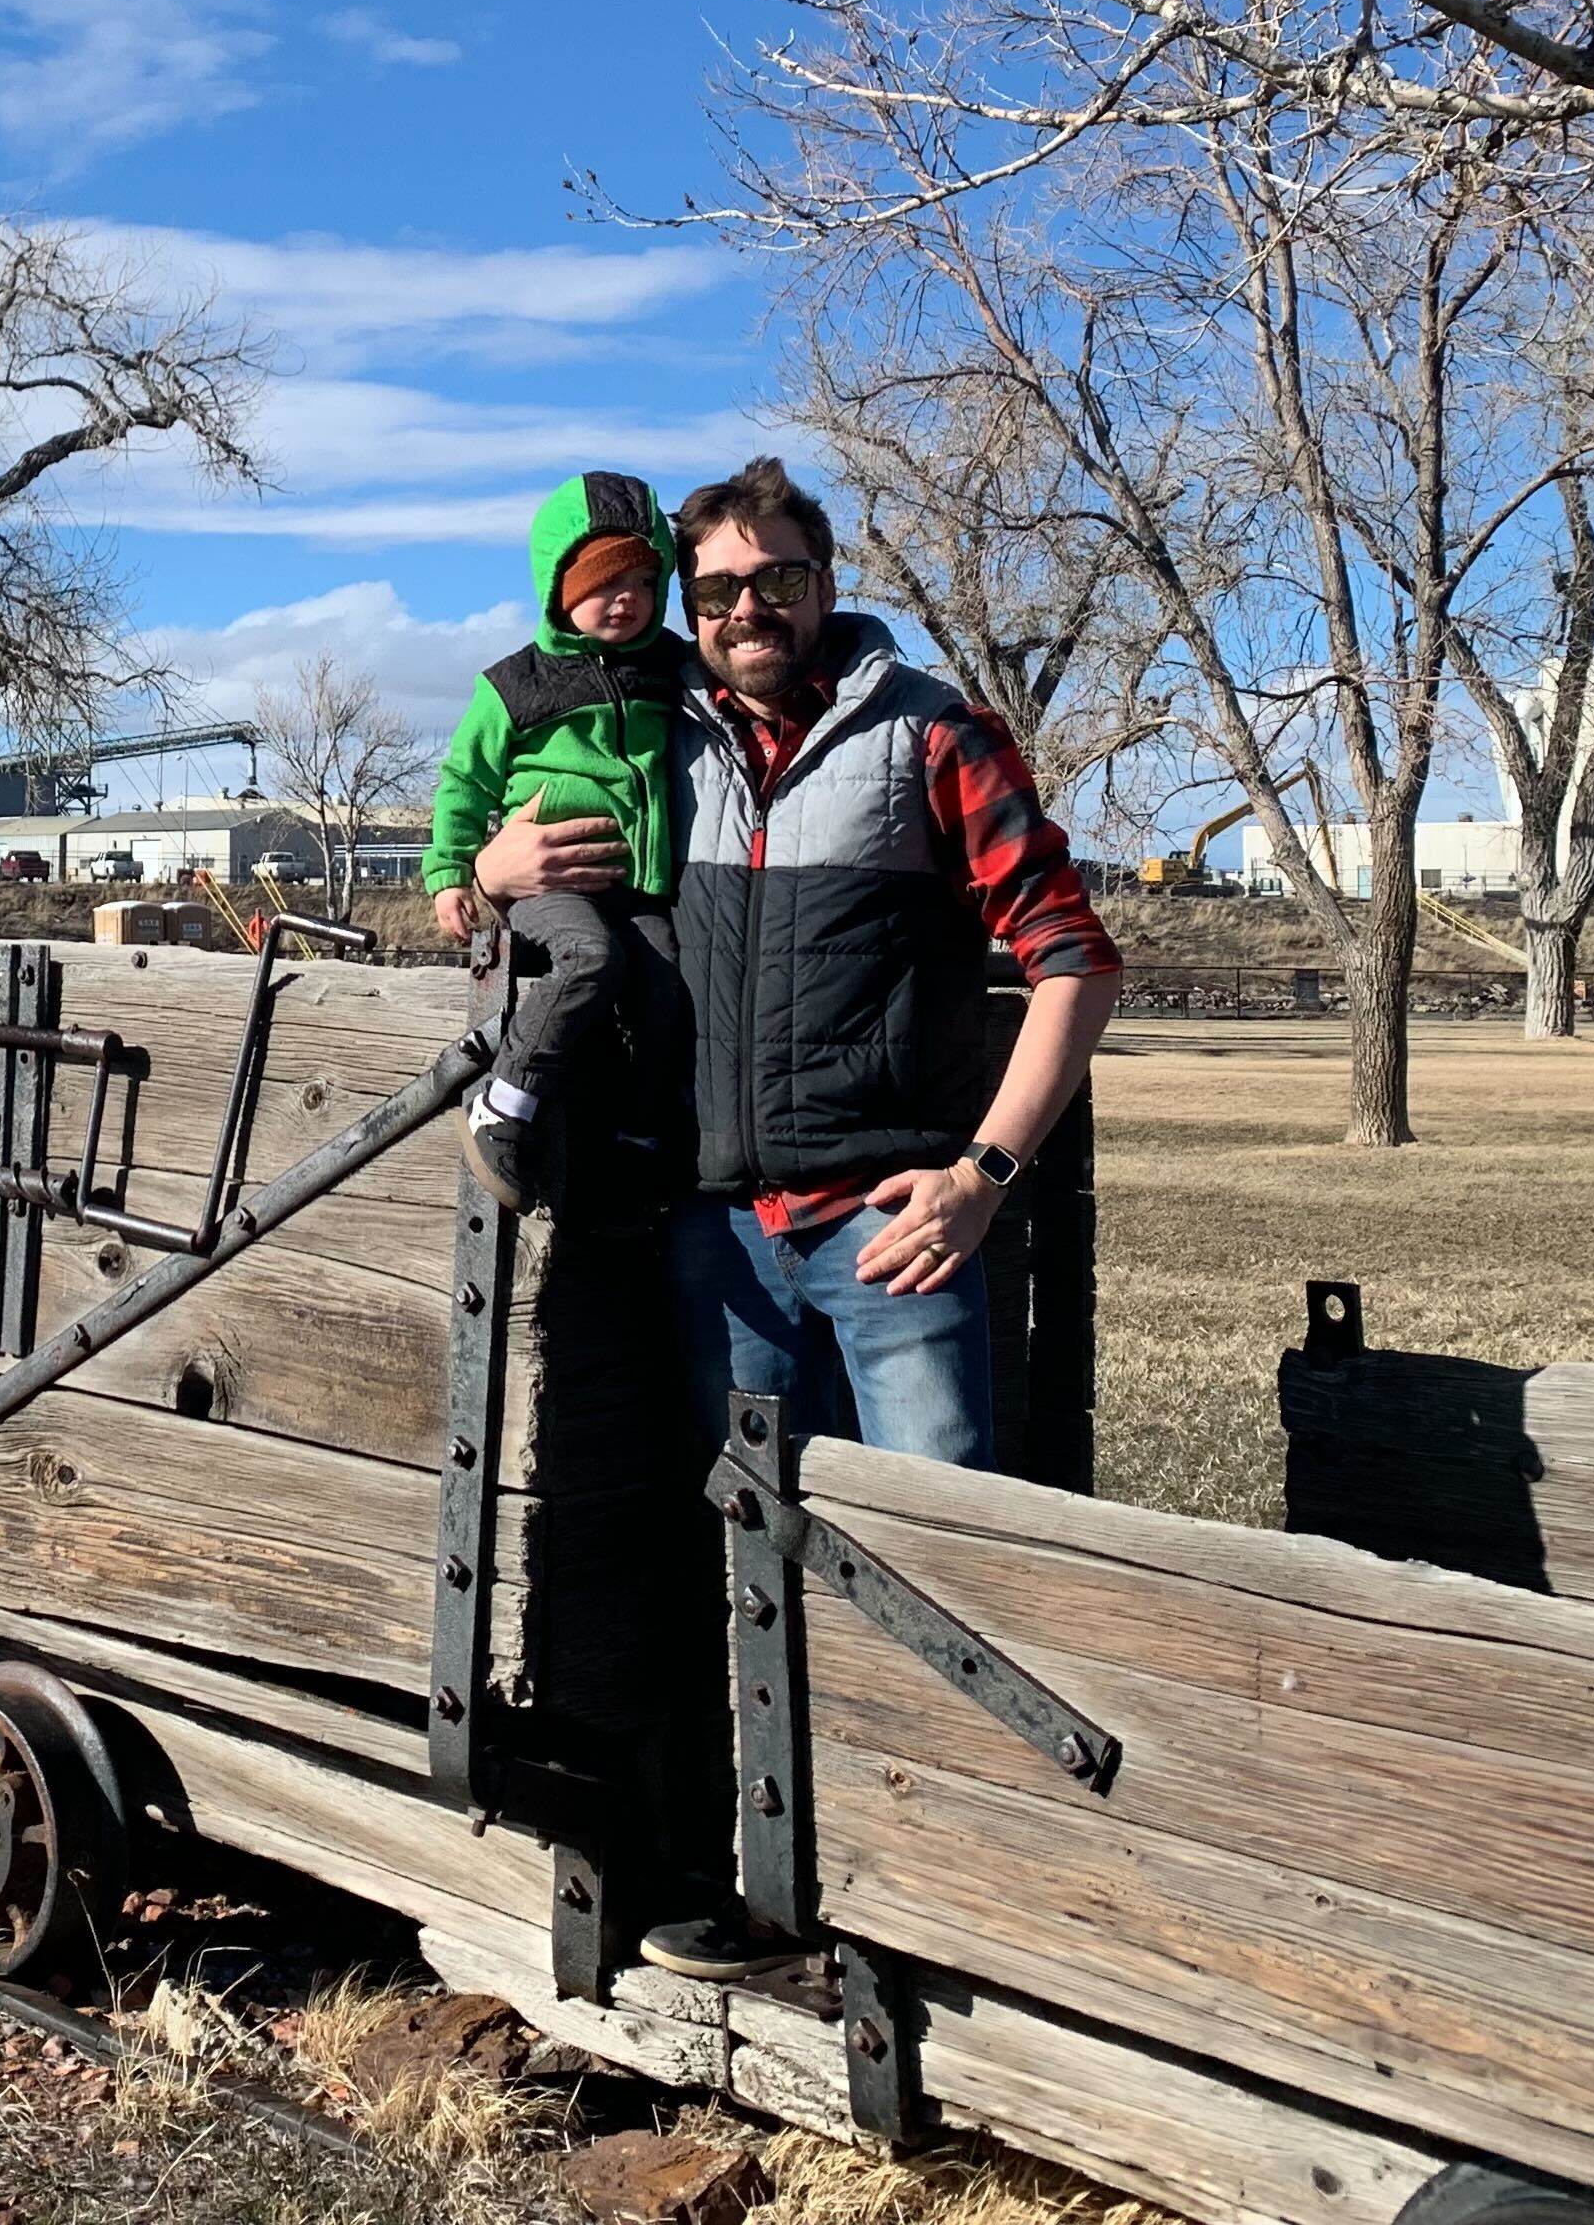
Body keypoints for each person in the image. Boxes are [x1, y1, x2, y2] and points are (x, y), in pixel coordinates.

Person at [473, 454, 1118, 1977]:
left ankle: (975, 1921)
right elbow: (522, 853)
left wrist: (986, 1176)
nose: (748, 610)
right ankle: (782, 1900)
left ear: (826, 585)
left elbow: (1074, 959)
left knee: (942, 1568)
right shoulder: (657, 740)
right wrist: (492, 873)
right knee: (754, 1567)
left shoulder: (928, 736)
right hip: (719, 1236)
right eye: (719, 592)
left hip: (895, 1231)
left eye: (778, 581)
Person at [422, 471, 699, 1210]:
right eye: (604, 581)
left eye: (645, 579)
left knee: (669, 985)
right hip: (548, 883)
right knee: (591, 959)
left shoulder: (670, 671)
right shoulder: (516, 683)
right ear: (557, 585)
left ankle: (635, 1141)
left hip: (636, 883)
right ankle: (505, 1106)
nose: (627, 597)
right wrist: (451, 870)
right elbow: (464, 781)